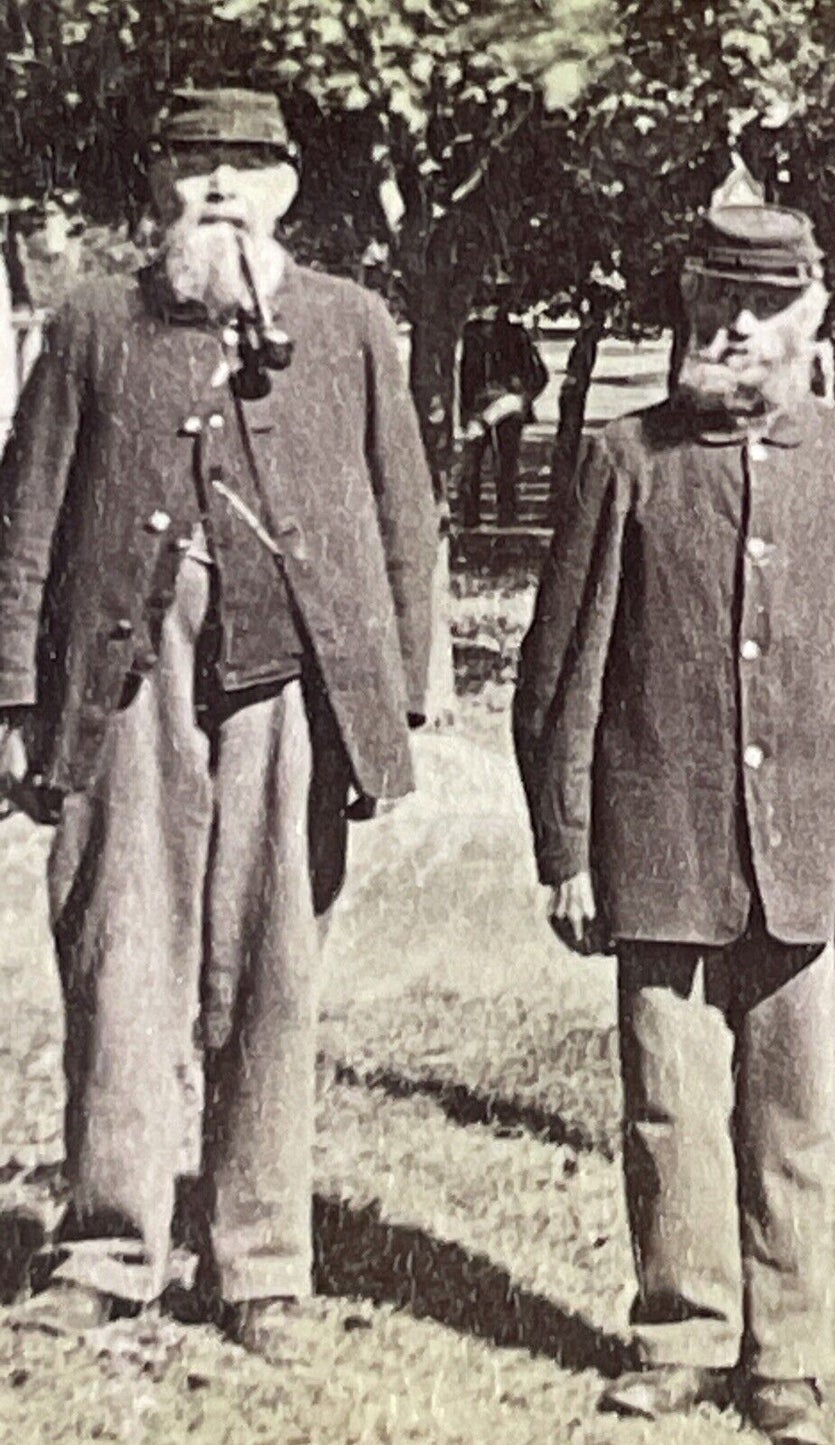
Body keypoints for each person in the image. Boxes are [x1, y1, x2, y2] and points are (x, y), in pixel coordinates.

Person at [0, 89, 435, 1357]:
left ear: (289, 190)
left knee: (272, 970)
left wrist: (395, 695)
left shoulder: (352, 325)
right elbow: (25, 519)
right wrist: (18, 699)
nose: (221, 190)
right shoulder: (93, 323)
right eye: (196, 167)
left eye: (247, 167)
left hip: (293, 684)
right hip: (125, 677)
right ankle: (106, 1247)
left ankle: (261, 1267)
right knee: (118, 950)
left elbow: (404, 513)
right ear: (157, 185)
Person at [512, 202, 835, 1445]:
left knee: (793, 1111)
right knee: (665, 1101)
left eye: (759, 308)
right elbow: (559, 671)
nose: (732, 329)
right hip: (658, 844)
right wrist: (569, 845)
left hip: (806, 851)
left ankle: (785, 1352)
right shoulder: (623, 457)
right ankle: (679, 1331)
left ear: (811, 317)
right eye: (711, 305)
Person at [457, 302, 548, 528]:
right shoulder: (473, 334)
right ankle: (476, 516)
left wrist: (519, 399)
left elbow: (539, 375)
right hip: (484, 407)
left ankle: (501, 515)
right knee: (477, 464)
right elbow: (466, 377)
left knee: (501, 464)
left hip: (505, 406)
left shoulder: (515, 335)